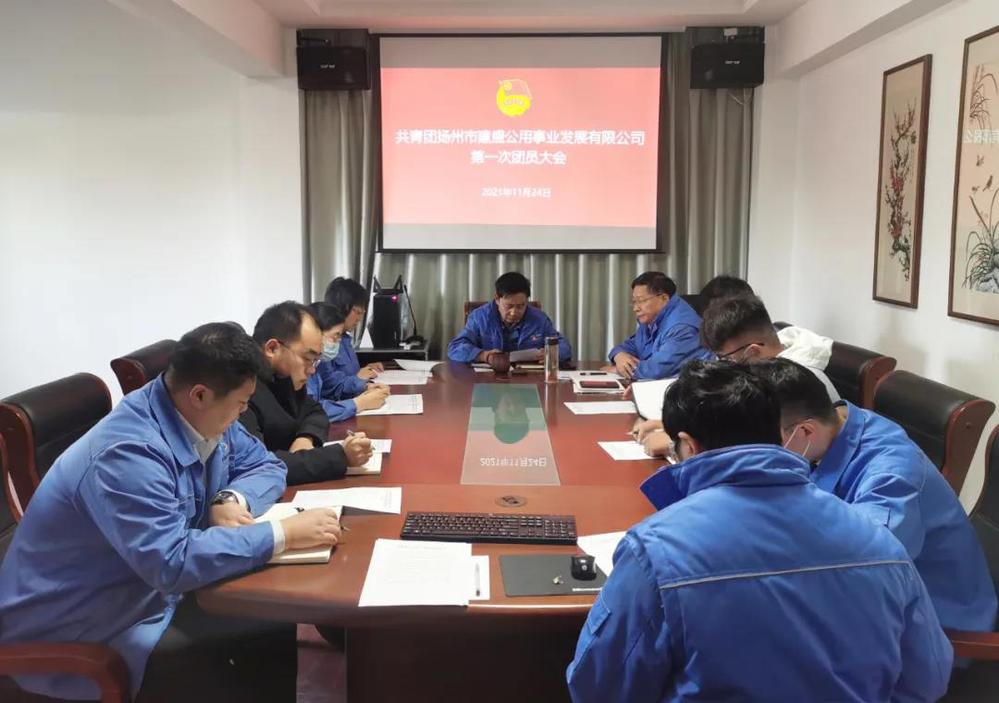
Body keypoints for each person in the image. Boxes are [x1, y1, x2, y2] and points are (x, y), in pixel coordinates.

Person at [566, 361, 952, 702]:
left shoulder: (654, 549)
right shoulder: (877, 537)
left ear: (687, 446)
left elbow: (598, 687)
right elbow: (927, 679)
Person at [0, 323, 343, 702]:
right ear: (200, 394)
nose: (244, 412)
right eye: (242, 404)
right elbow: (171, 562)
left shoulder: (197, 410)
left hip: (151, 591)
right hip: (87, 631)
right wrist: (284, 534)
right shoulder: (127, 454)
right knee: (253, 638)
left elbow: (267, 465)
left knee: (268, 620)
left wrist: (231, 498)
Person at [750, 357, 998, 633]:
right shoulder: (838, 424)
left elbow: (860, 570)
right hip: (878, 598)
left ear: (806, 430)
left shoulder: (891, 474)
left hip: (936, 623)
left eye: (768, 446)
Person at [634, 292, 839, 458]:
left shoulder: (794, 381)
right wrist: (671, 426)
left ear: (753, 351)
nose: (723, 367)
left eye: (726, 359)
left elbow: (754, 443)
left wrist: (676, 446)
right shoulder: (764, 368)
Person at [239, 301, 373, 485]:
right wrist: (340, 456)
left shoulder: (284, 377)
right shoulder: (242, 391)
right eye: (308, 358)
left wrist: (306, 437)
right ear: (272, 348)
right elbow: (259, 466)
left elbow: (315, 411)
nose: (312, 370)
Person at [606, 271, 712, 380]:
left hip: (690, 387)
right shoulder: (651, 318)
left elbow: (655, 371)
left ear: (664, 298)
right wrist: (619, 356)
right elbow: (632, 346)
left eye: (641, 301)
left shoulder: (682, 328)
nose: (635, 308)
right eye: (634, 302)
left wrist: (619, 369)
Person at [447, 271, 571, 364]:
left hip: (527, 379)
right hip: (490, 380)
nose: (514, 312)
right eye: (509, 306)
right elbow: (455, 348)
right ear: (497, 299)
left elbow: (563, 346)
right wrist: (483, 356)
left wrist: (552, 353)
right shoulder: (480, 317)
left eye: (521, 306)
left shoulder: (539, 319)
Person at [305, 302, 389, 422]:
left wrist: (364, 387)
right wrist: (359, 404)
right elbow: (310, 412)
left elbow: (331, 390)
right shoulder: (301, 367)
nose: (337, 343)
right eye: (335, 337)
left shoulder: (316, 363)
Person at [321, 277, 384, 399]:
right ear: (341, 309)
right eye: (358, 312)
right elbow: (330, 389)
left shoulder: (345, 339)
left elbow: (350, 375)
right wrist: (358, 379)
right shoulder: (326, 343)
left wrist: (366, 370)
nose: (359, 319)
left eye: (362, 313)